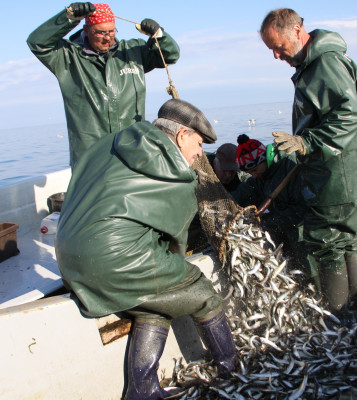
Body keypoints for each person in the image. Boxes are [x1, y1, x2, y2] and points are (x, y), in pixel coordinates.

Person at [55, 99, 237, 399]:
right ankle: (232, 370)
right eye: (199, 144)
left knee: (161, 299)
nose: (199, 154)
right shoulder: (177, 173)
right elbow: (175, 246)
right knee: (202, 295)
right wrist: (183, 272)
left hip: (67, 254)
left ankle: (142, 388)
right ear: (181, 136)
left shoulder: (113, 142)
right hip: (113, 258)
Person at [259, 8, 357, 311]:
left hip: (338, 174)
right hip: (343, 171)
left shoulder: (325, 63)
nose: (276, 55)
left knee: (327, 242)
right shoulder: (315, 63)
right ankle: (356, 307)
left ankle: (338, 316)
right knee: (346, 236)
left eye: (278, 46)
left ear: (297, 30)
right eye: (271, 49)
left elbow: (349, 114)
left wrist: (307, 142)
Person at [27, 3, 180, 169]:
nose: (108, 38)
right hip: (91, 159)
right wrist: (68, 18)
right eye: (100, 32)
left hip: (133, 153)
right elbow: (37, 42)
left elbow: (170, 55)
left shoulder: (132, 52)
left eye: (111, 31)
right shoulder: (67, 57)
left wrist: (159, 35)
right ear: (86, 30)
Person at [232, 134, 307, 256]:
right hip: (283, 227)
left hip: (302, 231)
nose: (254, 175)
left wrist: (269, 221)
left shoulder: (289, 165)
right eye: (250, 173)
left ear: (264, 158)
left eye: (255, 170)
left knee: (305, 262)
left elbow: (300, 210)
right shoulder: (260, 177)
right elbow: (242, 194)